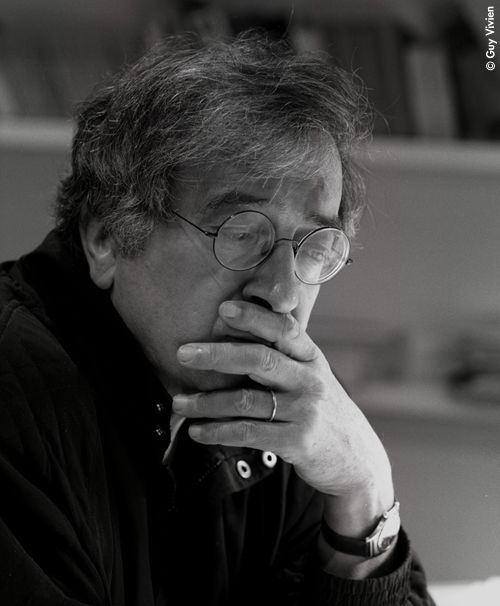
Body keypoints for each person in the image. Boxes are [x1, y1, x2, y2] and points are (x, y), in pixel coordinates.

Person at [0, 32, 434, 605]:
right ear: (106, 237)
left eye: (313, 246)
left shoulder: (283, 399)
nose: (283, 294)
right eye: (241, 233)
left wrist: (364, 492)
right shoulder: (14, 392)